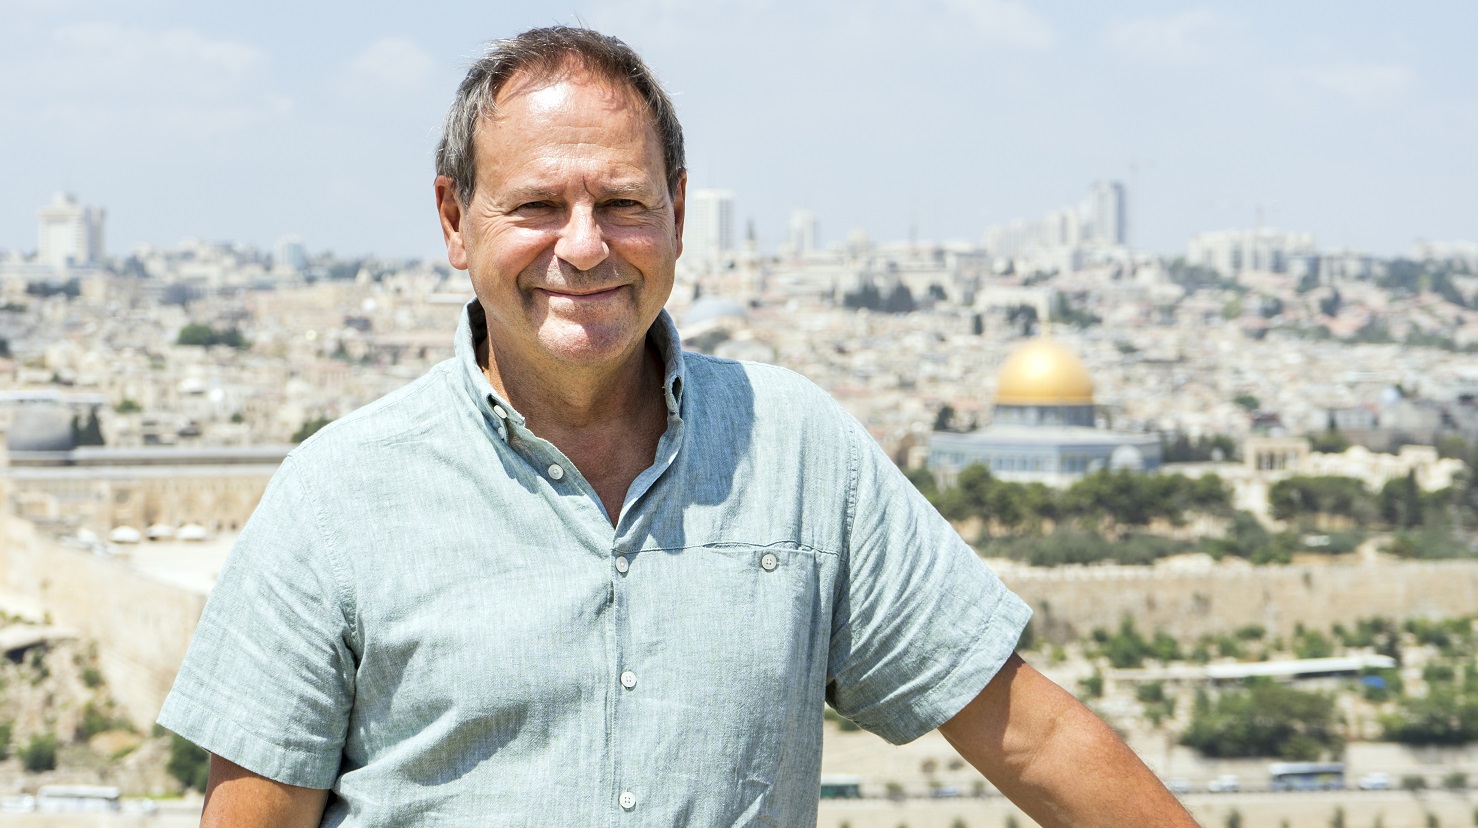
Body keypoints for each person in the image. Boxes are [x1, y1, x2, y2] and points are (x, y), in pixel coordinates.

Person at [159, 26, 1199, 828]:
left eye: (620, 203)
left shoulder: (793, 450)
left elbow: (1028, 733)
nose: (582, 247)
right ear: (451, 221)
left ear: (678, 214)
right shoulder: (339, 492)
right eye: (535, 207)